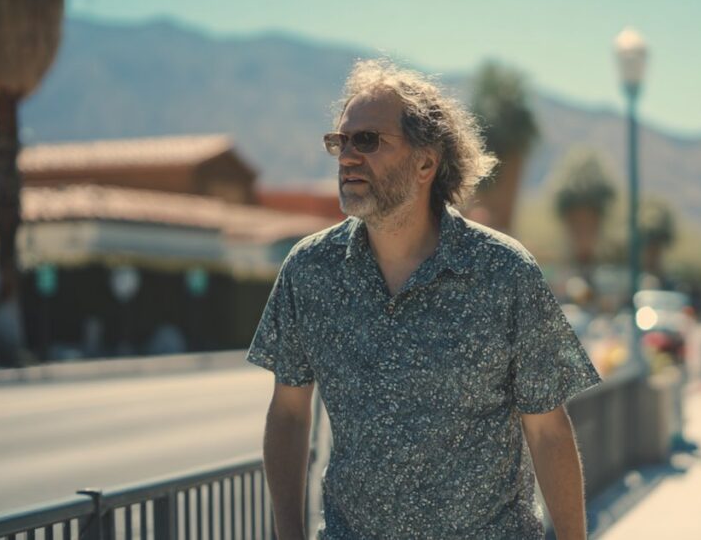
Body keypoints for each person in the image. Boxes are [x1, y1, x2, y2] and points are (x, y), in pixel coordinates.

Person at [245, 59, 602, 540]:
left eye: (367, 140)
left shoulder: (504, 272)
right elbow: (289, 413)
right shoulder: (309, 271)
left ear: (426, 163)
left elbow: (548, 430)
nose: (347, 156)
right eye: (340, 141)